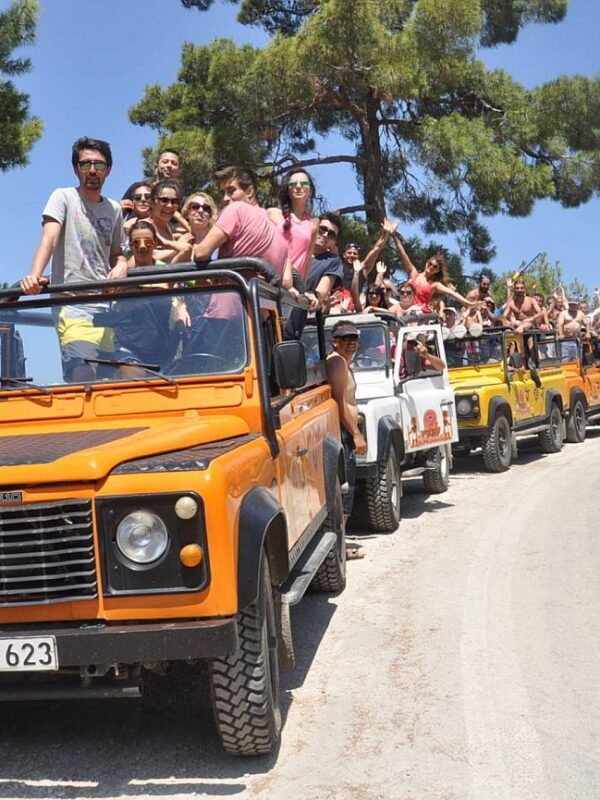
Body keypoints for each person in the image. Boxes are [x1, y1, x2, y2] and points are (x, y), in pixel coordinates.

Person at [20, 136, 128, 381]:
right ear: (75, 168)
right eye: (85, 164)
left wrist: (121, 265)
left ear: (108, 170)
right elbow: (49, 238)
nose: (92, 170)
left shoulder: (114, 209)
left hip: (106, 308)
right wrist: (34, 275)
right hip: (73, 304)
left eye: (99, 165)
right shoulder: (63, 197)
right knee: (83, 376)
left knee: (113, 381)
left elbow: (117, 254)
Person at [326, 320, 368, 557]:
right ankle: (340, 550)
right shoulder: (337, 363)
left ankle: (340, 546)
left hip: (348, 430)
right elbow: (340, 402)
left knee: (347, 492)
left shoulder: (343, 362)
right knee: (346, 491)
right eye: (345, 338)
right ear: (335, 341)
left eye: (354, 337)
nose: (351, 342)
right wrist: (356, 433)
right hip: (344, 433)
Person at [390, 228, 478, 313]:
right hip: (406, 311)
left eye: (435, 266)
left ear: (437, 271)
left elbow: (452, 293)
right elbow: (403, 255)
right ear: (426, 263)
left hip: (420, 315)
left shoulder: (434, 285)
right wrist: (394, 236)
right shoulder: (414, 274)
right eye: (430, 263)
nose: (431, 267)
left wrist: (467, 303)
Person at [267, 169, 318, 280]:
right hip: (271, 279)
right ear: (288, 190)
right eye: (293, 184)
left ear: (310, 190)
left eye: (304, 183)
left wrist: (302, 290)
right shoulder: (273, 214)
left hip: (295, 284)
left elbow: (307, 259)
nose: (298, 186)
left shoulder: (314, 224)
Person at [340, 218, 398, 290]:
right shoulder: (336, 267)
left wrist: (386, 233)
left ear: (358, 256)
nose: (352, 255)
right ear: (344, 255)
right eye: (349, 253)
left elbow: (376, 249)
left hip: (354, 300)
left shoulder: (363, 269)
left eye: (354, 254)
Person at [148, 179, 193, 264]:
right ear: (151, 202)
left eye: (174, 201)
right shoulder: (146, 228)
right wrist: (178, 245)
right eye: (164, 200)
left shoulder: (168, 229)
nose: (169, 205)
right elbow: (145, 259)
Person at [305, 213, 345, 306]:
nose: (325, 235)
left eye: (331, 234)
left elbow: (321, 293)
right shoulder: (295, 247)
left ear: (334, 242)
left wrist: (313, 296)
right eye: (322, 229)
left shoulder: (333, 261)